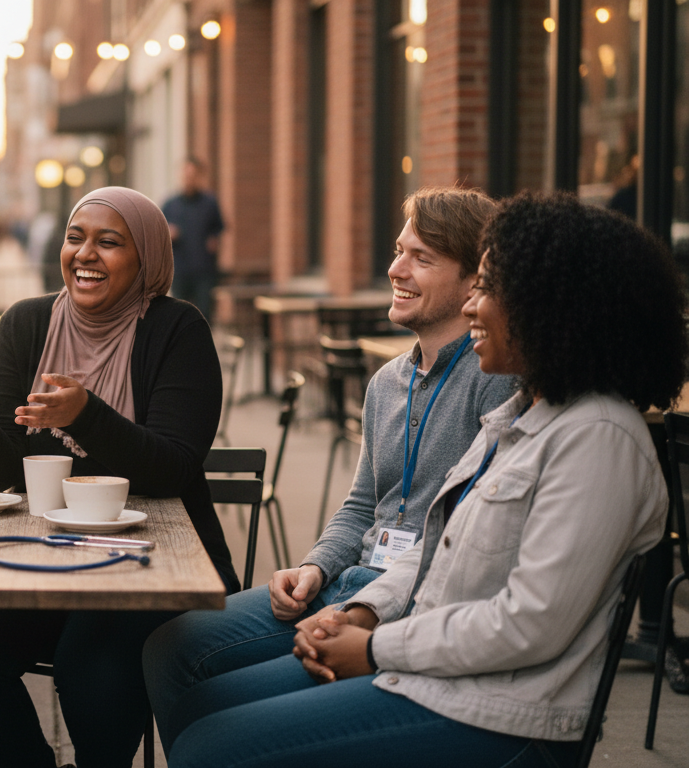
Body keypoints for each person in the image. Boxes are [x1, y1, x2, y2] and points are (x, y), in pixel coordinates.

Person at [165, 191, 688, 767]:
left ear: (551, 305)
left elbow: (530, 623)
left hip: (502, 717)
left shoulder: (599, 439)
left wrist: (373, 643)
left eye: (488, 289)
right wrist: (359, 610)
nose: (472, 309)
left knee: (211, 745)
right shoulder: (524, 416)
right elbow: (438, 542)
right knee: (204, 707)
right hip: (433, 675)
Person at [143, 186, 514, 754]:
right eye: (398, 251)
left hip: (411, 606)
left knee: (210, 718)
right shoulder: (386, 383)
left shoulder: (495, 381)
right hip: (348, 581)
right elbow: (363, 505)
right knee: (167, 647)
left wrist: (359, 611)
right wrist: (314, 569)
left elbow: (468, 543)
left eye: (422, 258)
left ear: (473, 282)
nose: (396, 269)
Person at [0, 186, 231, 768]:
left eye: (110, 242)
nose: (86, 254)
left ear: (147, 259)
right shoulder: (27, 324)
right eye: (75, 238)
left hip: (153, 568)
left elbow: (173, 467)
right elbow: (2, 471)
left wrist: (87, 415)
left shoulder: (177, 329)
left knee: (93, 654)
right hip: (39, 560)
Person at [161, 158, 225, 321]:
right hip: (179, 270)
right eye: (185, 175)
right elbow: (159, 233)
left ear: (199, 177)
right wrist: (169, 233)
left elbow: (219, 227)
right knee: (179, 315)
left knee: (205, 314)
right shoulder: (170, 205)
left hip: (204, 270)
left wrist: (214, 239)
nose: (188, 179)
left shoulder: (210, 203)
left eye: (192, 175)